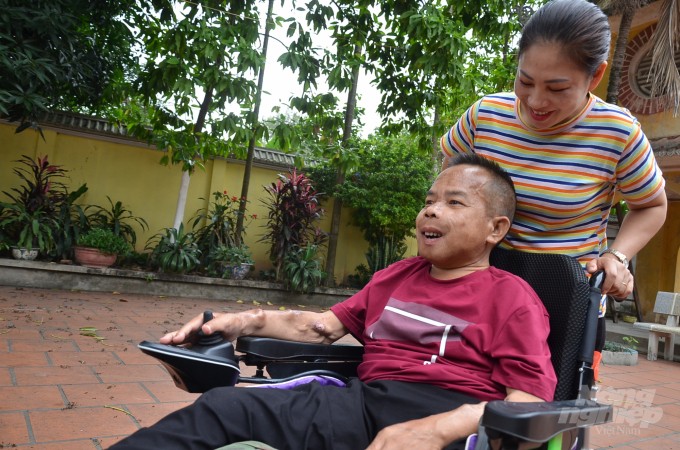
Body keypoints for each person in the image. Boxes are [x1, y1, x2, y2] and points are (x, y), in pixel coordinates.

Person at [110, 154, 557, 450]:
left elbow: (528, 400)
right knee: (224, 406)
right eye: (429, 201)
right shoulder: (396, 276)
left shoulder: (512, 298)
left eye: (453, 203)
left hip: (452, 417)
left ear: (495, 229)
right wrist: (239, 322)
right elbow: (320, 327)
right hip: (360, 404)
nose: (431, 211)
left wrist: (437, 428)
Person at [440, 0, 667, 377]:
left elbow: (652, 205)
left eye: (557, 87)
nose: (535, 101)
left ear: (595, 77)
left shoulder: (617, 132)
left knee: (547, 416)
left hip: (565, 302)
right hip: (477, 291)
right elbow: (450, 176)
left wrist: (618, 257)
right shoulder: (486, 115)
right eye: (525, 81)